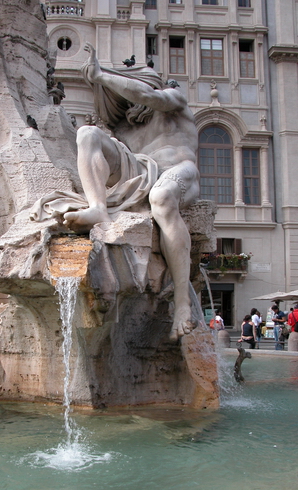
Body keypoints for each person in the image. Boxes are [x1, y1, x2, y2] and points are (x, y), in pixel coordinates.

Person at [62, 43, 200, 342]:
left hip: (178, 170)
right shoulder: (124, 128)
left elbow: (149, 96)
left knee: (161, 198)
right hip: (140, 170)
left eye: (134, 86)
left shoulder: (172, 100)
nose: (130, 96)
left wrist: (101, 76)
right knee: (87, 134)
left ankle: (182, 303)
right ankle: (97, 207)